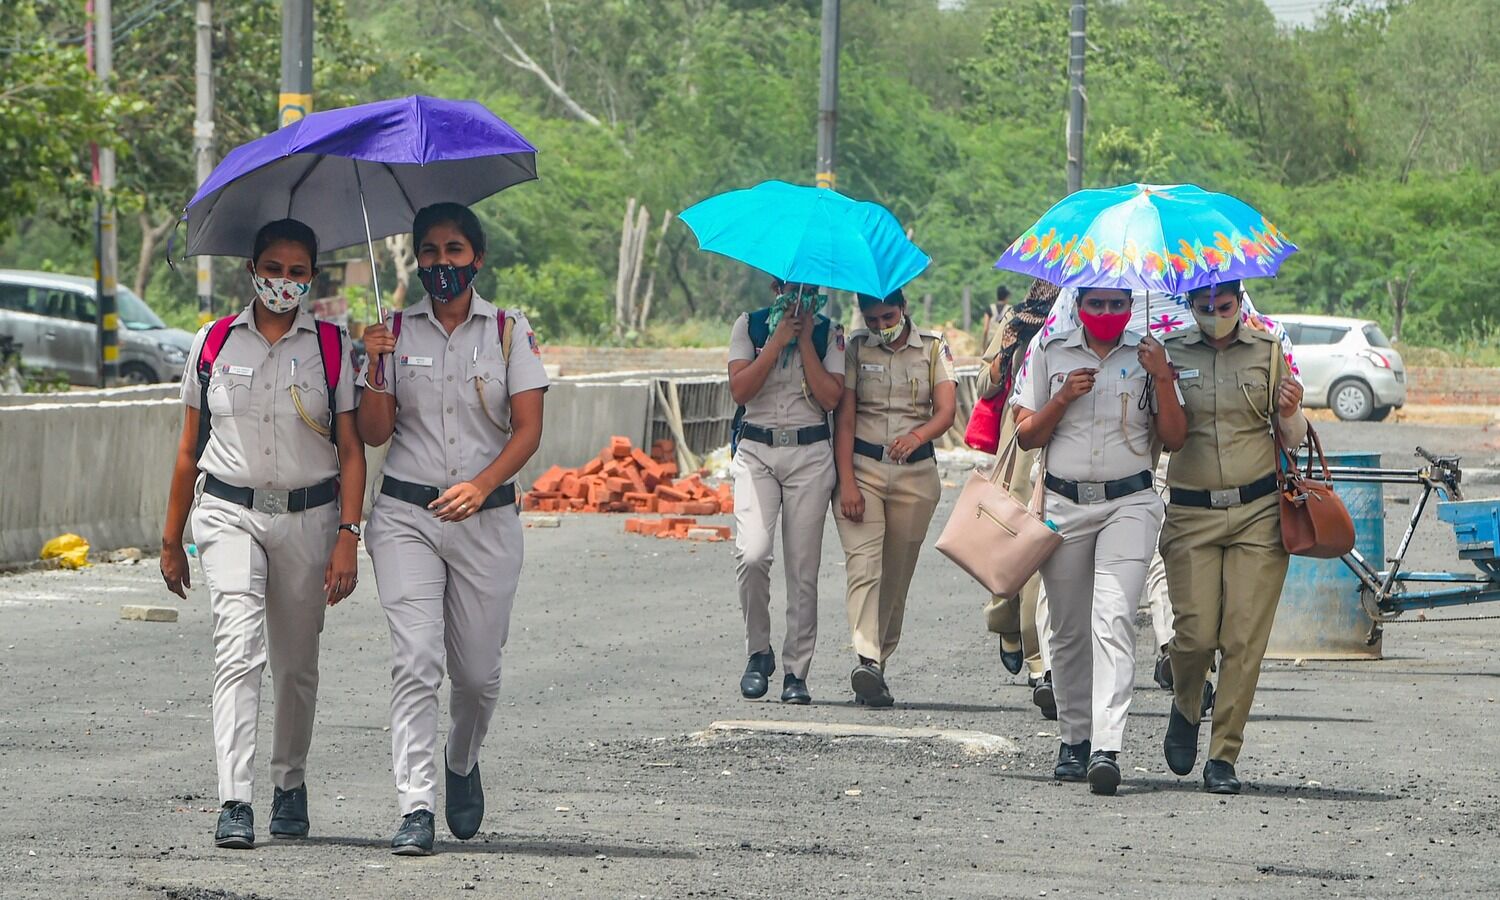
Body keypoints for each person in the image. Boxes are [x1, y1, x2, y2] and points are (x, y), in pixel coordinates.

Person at [159, 218, 365, 849]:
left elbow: (353, 451)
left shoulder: (333, 347)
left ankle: (290, 785)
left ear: (312, 279)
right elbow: (189, 446)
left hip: (310, 517)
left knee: (296, 664)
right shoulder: (214, 342)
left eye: (297, 271)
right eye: (273, 268)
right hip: (227, 514)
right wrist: (171, 539)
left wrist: (348, 536)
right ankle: (235, 799)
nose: (283, 282)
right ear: (252, 270)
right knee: (238, 650)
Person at [356, 202, 549, 854]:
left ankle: (462, 760)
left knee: (475, 677)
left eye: (454, 251)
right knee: (416, 661)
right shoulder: (390, 332)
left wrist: (483, 483)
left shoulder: (507, 332)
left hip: (486, 521)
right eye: (430, 252)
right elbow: (374, 432)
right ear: (417, 259)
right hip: (406, 517)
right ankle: (416, 805)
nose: (442, 263)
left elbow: (528, 429)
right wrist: (375, 364)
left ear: (478, 258)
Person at [1013, 286, 1186, 796]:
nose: (1107, 315)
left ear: (1131, 307)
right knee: (1068, 628)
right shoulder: (1049, 349)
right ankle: (1075, 739)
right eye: (1097, 305)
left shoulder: (1150, 352)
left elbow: (1174, 438)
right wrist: (1064, 396)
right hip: (1065, 506)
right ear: (1079, 306)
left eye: (1117, 305)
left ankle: (1107, 747)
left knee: (1112, 617)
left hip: (1129, 503)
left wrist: (1161, 376)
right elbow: (1025, 434)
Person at [1159, 279, 1306, 795]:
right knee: (1195, 634)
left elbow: (1291, 436)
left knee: (1243, 639)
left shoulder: (1268, 352)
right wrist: (1158, 378)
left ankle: (1223, 755)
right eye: (1205, 307)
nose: (1216, 315)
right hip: (1191, 512)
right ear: (1190, 306)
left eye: (1224, 306)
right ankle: (1185, 704)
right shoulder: (1170, 354)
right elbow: (1160, 434)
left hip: (1257, 513)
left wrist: (1290, 410)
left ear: (1240, 303)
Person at [834, 289, 956, 706]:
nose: (881, 327)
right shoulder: (854, 348)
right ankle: (866, 659)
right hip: (864, 471)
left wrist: (918, 435)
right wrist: (846, 481)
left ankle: (878, 662)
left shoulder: (935, 348)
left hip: (915, 476)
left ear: (904, 309)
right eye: (872, 320)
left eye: (888, 317)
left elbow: (946, 410)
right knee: (864, 566)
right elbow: (845, 418)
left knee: (895, 573)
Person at [728, 279, 845, 705]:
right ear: (775, 286)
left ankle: (797, 671)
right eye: (788, 288)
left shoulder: (829, 334)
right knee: (753, 553)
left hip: (810, 454)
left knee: (802, 569)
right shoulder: (750, 327)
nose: (796, 297)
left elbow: (832, 397)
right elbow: (739, 390)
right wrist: (777, 342)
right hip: (757, 450)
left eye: (805, 290)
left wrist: (806, 342)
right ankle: (759, 652)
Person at [975, 279, 1058, 717]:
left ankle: (1039, 663)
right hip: (1018, 452)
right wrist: (1006, 352)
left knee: (1040, 559)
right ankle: (1005, 623)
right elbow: (985, 389)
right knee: (1011, 553)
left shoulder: (1080, 325)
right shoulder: (1014, 322)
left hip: (1061, 452)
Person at [980, 284, 1011, 349]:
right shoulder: (1010, 309)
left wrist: (983, 346)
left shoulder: (990, 308)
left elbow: (985, 329)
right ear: (1006, 297)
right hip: (1003, 342)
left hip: (991, 341)